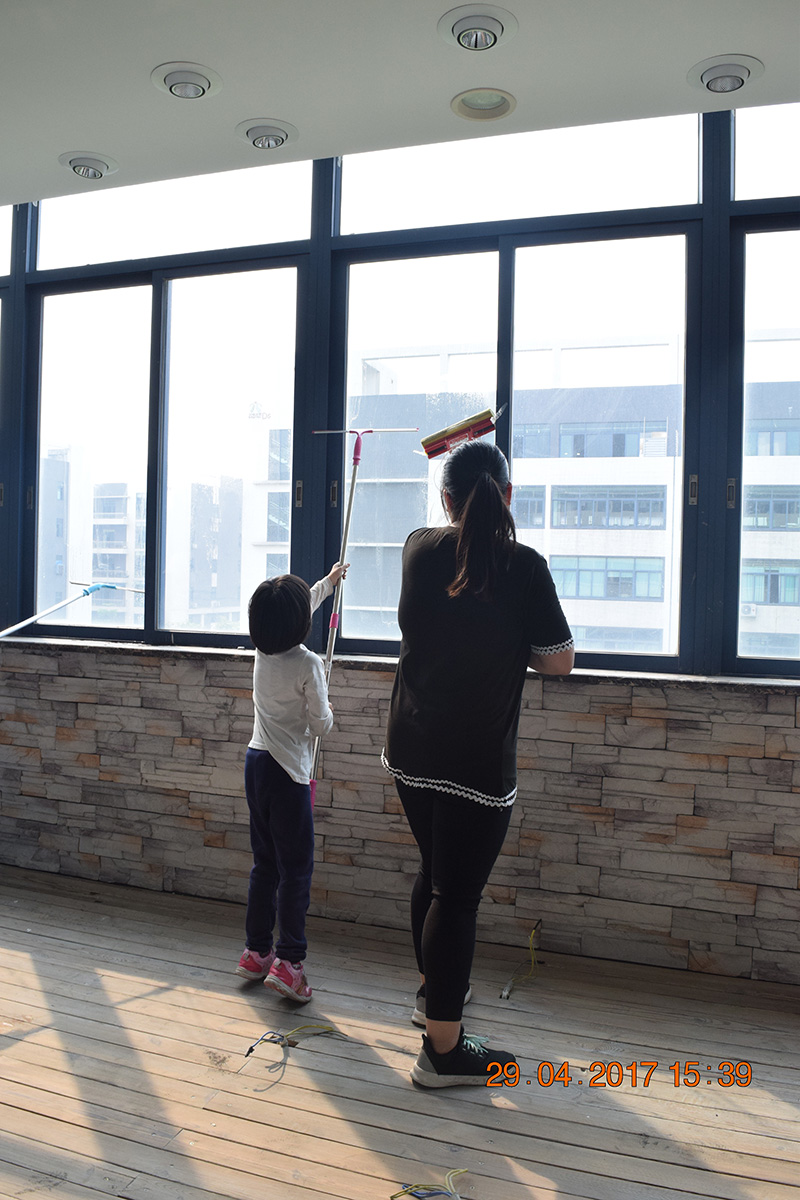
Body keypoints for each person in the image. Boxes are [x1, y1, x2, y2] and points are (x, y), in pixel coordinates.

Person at [382, 439, 574, 1086]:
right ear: (508, 496)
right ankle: (442, 1052)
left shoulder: (416, 548)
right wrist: (511, 642)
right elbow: (558, 660)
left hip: (411, 745)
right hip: (474, 759)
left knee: (434, 873)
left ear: (445, 501)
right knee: (456, 897)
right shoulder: (524, 565)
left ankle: (431, 996)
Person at [235, 561, 348, 1002]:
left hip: (256, 764)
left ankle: (256, 952)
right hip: (287, 775)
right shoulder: (309, 663)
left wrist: (328, 584)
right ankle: (289, 963)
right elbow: (320, 726)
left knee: (265, 864)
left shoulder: (263, 651)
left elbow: (298, 607)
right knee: (296, 871)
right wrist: (329, 711)